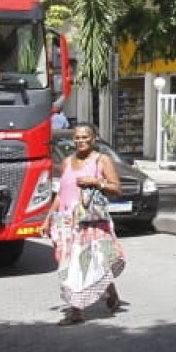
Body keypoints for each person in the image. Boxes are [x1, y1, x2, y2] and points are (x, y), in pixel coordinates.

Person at [49, 124, 125, 326]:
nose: (80, 141)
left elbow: (117, 188)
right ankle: (109, 295)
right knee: (69, 265)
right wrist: (48, 216)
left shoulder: (102, 160)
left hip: (91, 221)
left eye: (85, 137)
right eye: (77, 138)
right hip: (66, 222)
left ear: (93, 139)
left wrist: (95, 181)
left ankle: (76, 312)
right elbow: (61, 193)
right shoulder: (66, 162)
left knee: (93, 261)